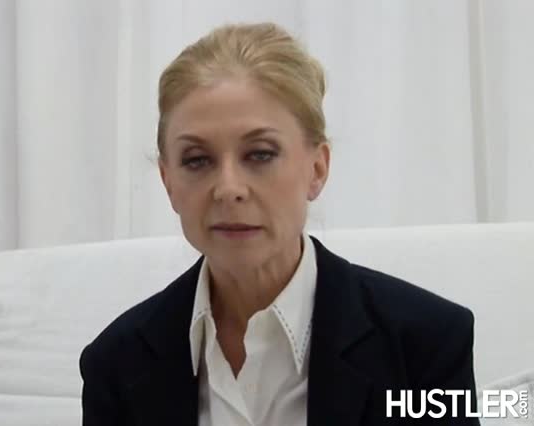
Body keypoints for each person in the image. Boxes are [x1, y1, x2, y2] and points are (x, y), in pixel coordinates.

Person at [79, 22, 480, 425]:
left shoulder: (425, 344)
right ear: (168, 182)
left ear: (317, 168)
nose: (228, 189)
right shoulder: (116, 364)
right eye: (197, 160)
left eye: (260, 154)